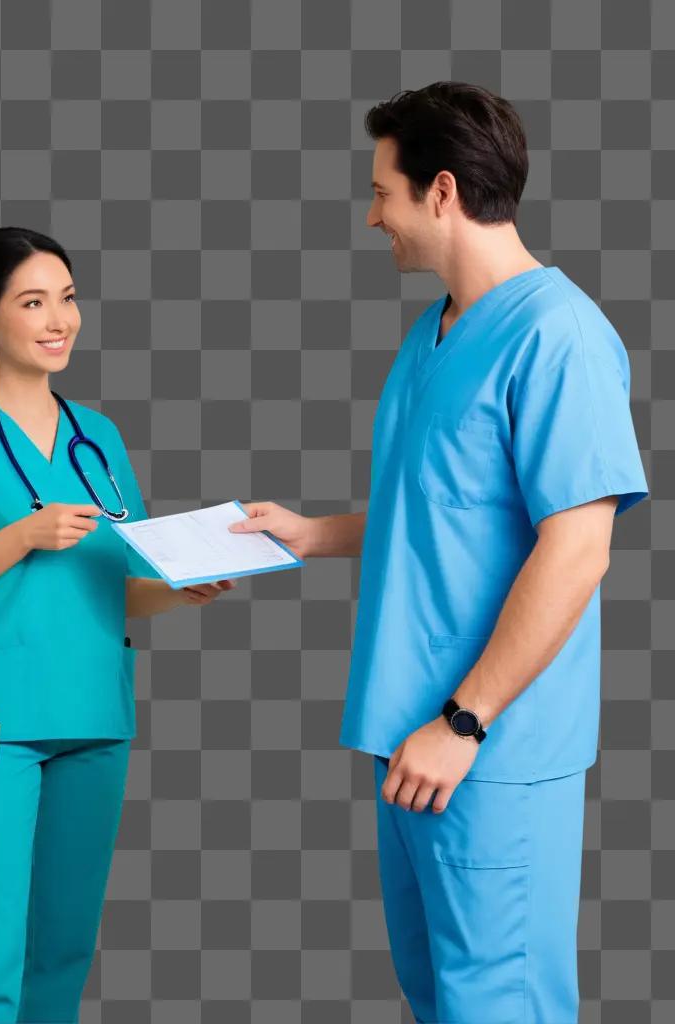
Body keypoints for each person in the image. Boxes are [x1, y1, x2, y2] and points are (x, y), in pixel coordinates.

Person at [231, 83, 648, 1023]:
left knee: (497, 1003)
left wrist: (464, 722)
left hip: (482, 749)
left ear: (443, 192)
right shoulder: (436, 333)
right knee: (439, 998)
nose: (371, 213)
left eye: (383, 191)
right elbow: (441, 512)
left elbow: (579, 550)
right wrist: (310, 533)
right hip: (407, 741)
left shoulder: (558, 337)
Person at [0, 226, 233, 1024]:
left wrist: (180, 591)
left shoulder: (98, 437)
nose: (59, 321)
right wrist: (20, 536)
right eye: (33, 302)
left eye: (69, 299)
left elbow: (115, 583)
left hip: (95, 712)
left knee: (64, 948)